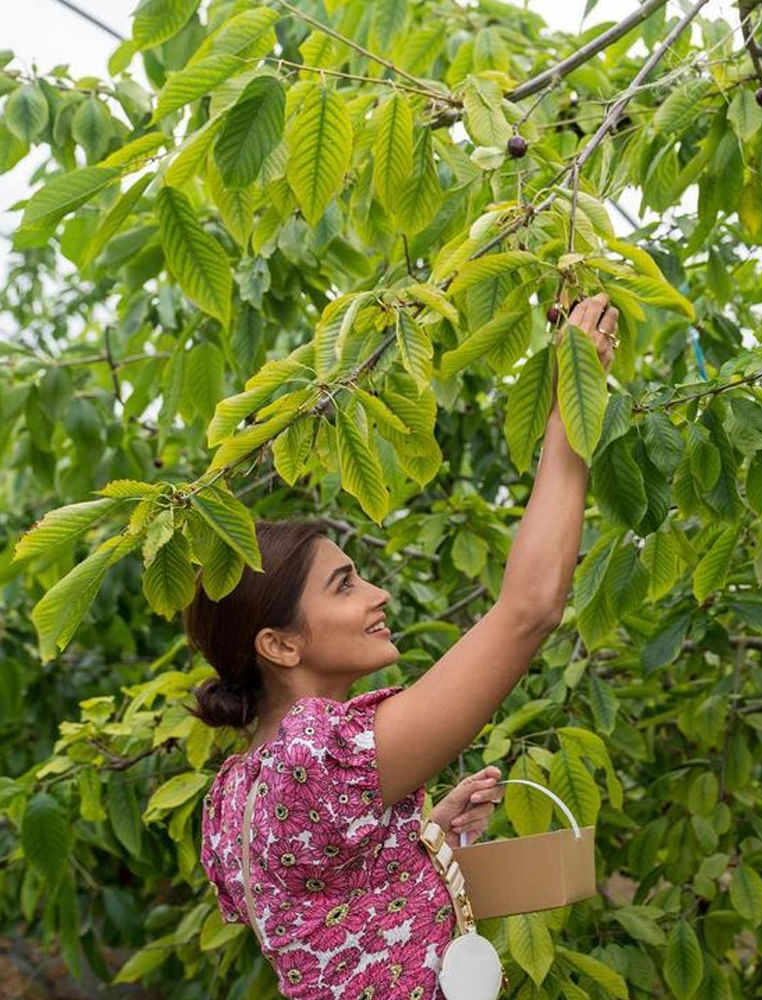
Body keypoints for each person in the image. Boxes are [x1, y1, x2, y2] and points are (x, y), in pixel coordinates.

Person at [190, 294, 619, 998]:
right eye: (344, 585)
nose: (376, 596)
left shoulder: (235, 792)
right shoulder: (316, 755)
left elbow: (329, 915)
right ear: (280, 645)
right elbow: (530, 610)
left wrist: (418, 845)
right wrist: (572, 405)